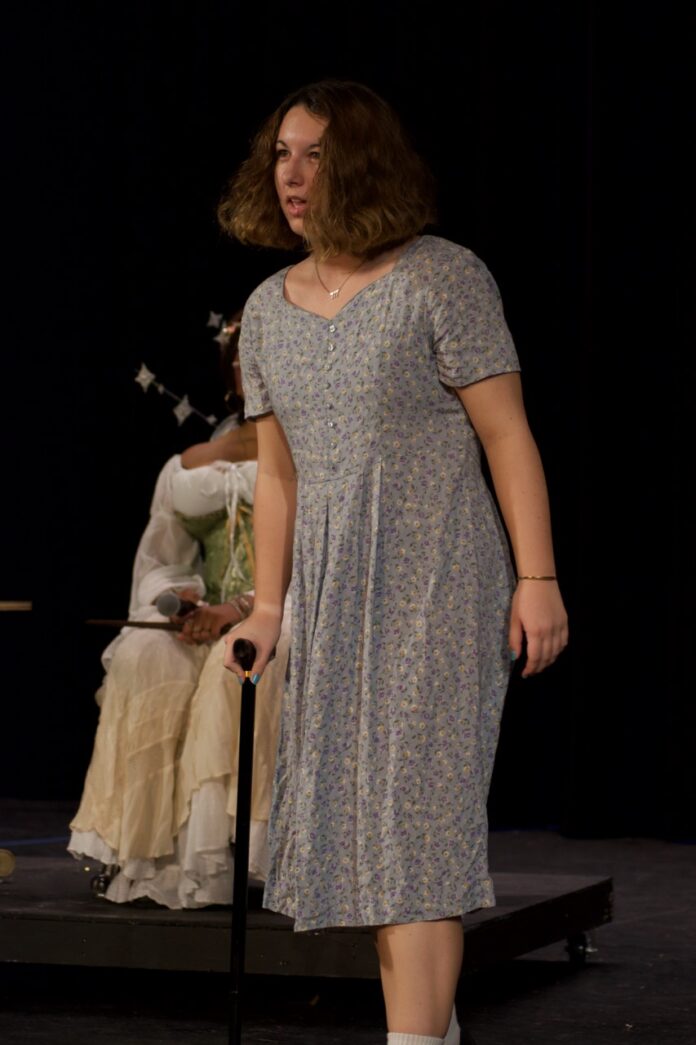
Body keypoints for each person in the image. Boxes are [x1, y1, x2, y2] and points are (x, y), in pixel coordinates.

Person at [219, 80, 568, 1045]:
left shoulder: (440, 277)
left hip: (438, 582)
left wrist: (537, 579)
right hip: (334, 595)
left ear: (363, 162)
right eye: (283, 153)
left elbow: (507, 435)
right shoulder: (268, 307)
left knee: (413, 831)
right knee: (371, 839)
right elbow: (279, 476)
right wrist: (268, 607)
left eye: (317, 155)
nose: (293, 176)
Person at [68, 316, 291, 909]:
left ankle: (248, 854)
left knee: (238, 657)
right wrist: (180, 602)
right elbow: (162, 558)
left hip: (290, 610)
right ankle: (149, 853)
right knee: (145, 655)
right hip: (211, 613)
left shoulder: (319, 454)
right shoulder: (192, 463)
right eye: (245, 359)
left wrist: (241, 608)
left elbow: (326, 562)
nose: (255, 370)